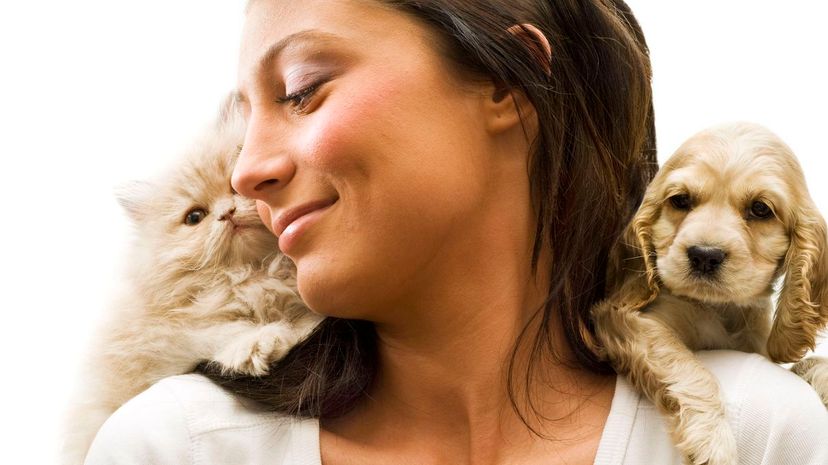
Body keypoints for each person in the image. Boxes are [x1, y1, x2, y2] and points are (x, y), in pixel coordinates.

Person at [84, 1, 828, 464]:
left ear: (508, 83)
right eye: (247, 114)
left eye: (302, 90)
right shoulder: (171, 446)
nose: (246, 171)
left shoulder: (762, 432)